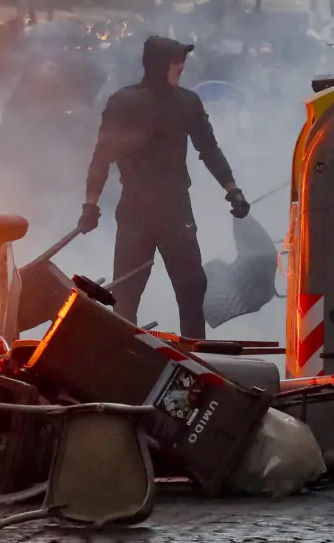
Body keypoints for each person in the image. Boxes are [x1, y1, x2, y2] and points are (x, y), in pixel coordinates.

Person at [77, 36, 249, 338]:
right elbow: (103, 156)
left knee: (189, 291)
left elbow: (208, 148)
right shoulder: (128, 102)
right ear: (160, 66)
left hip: (167, 211)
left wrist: (232, 188)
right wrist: (90, 204)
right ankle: (126, 358)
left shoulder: (184, 102)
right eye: (177, 61)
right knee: (131, 296)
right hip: (144, 212)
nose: (182, 66)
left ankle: (195, 358)